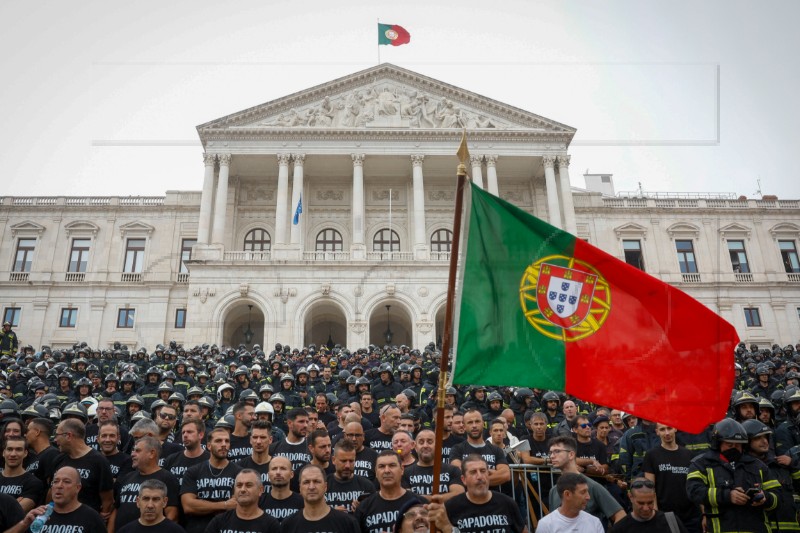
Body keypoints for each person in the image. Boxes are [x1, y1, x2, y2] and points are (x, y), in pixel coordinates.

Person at [686, 418, 780, 533]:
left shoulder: (757, 465)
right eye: (730, 445)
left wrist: (765, 498)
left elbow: (778, 497)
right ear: (718, 443)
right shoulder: (701, 464)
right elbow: (694, 491)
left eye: (738, 445)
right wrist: (727, 496)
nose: (734, 448)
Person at [548, 435, 625, 526]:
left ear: (571, 454)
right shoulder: (554, 491)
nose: (552, 456)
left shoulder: (591, 486)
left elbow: (620, 515)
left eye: (557, 451)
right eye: (551, 452)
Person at [110, 436, 180, 533]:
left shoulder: (167, 478)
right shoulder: (127, 477)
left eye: (137, 451)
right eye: (133, 450)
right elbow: (116, 510)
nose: (132, 454)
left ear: (152, 453)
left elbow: (172, 515)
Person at [642, 423, 702, 533]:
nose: (667, 433)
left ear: (675, 428)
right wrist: (655, 513)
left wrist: (704, 514)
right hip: (666, 515)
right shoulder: (651, 455)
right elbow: (650, 488)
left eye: (669, 428)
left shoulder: (689, 455)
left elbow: (696, 486)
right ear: (657, 432)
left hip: (691, 515)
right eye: (662, 429)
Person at [180, 427, 243, 533]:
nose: (224, 444)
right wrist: (224, 505)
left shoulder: (239, 473)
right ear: (209, 446)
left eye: (227, 441)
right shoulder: (193, 472)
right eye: (218, 441)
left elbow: (235, 506)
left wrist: (202, 505)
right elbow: (188, 506)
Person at [7, 467, 106, 533]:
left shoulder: (91, 517)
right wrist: (24, 524)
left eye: (66, 482)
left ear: (78, 488)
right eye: (56, 481)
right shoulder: (39, 515)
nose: (59, 486)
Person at [444, 454, 527, 533]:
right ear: (463, 479)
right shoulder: (451, 507)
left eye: (483, 471)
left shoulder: (507, 503)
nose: (479, 476)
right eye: (473, 472)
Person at [52, 418, 114, 518]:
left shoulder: (99, 461)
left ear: (68, 435)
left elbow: (107, 498)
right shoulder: (58, 460)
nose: (55, 440)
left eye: (57, 435)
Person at [355, 450, 421, 533]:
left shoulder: (419, 503)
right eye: (381, 466)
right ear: (376, 472)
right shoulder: (363, 508)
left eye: (392, 465)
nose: (387, 470)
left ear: (402, 469)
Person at [280, 464, 359, 532]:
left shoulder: (347, 523)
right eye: (306, 482)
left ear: (325, 486)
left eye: (316, 481)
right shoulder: (288, 525)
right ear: (300, 488)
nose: (311, 487)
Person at [449, 409, 510, 492]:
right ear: (464, 426)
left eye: (477, 421)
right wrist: (490, 472)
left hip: (492, 501)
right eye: (470, 422)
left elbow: (505, 475)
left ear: (483, 424)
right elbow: (459, 475)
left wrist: (471, 475)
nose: (474, 425)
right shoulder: (457, 449)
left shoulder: (496, 450)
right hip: (467, 502)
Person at [205, 469, 280, 533]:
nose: (243, 489)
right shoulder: (218, 522)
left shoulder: (271, 525)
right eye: (239, 485)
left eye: (249, 485)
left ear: (260, 490)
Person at [403, 429, 464, 501]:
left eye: (430, 442)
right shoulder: (406, 473)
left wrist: (425, 499)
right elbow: (406, 499)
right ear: (415, 447)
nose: (425, 445)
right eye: (421, 442)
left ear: (438, 445)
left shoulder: (452, 470)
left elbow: (459, 494)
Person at [610, 478, 689, 533]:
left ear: (654, 496)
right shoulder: (620, 529)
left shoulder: (671, 521)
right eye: (641, 503)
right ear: (630, 497)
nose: (646, 508)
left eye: (650, 502)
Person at [536, 472, 603, 533]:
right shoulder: (546, 524)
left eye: (587, 491)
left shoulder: (594, 522)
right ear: (567, 494)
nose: (588, 497)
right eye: (583, 492)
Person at [117, 479, 186, 533]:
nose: (150, 505)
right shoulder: (125, 531)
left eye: (156, 499)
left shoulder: (176, 531)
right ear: (138, 501)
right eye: (146, 499)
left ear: (165, 502)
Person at [325, 439, 374, 512]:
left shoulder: (366, 486)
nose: (347, 466)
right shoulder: (323, 485)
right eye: (343, 461)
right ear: (333, 460)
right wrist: (331, 513)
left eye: (351, 461)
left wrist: (361, 511)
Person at [0, 435, 44, 512]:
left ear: (25, 453)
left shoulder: (33, 483)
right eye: (9, 449)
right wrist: (13, 503)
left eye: (18, 450)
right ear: (4, 453)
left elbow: (14, 513)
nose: (13, 454)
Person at [163, 419, 209, 486]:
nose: (185, 435)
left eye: (189, 432)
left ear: (201, 435)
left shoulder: (210, 460)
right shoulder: (171, 460)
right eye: (183, 432)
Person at [258, 455, 304, 522]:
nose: (278, 472)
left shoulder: (302, 503)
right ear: (268, 474)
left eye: (283, 468)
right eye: (274, 469)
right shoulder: (259, 503)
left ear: (292, 474)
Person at [235, 419, 272, 488]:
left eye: (263, 437)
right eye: (255, 437)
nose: (258, 441)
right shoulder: (239, 467)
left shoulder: (277, 467)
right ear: (250, 440)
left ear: (270, 440)